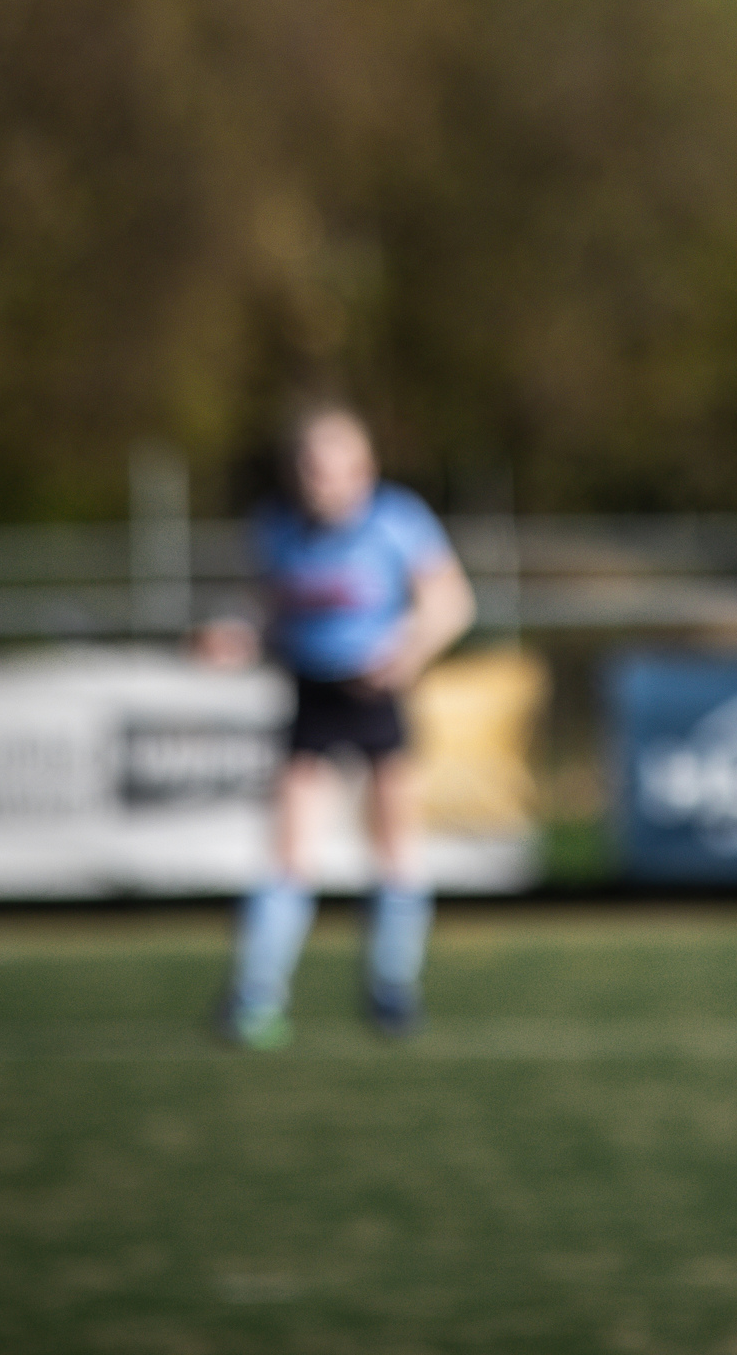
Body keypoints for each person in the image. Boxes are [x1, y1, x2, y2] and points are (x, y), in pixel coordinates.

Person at [203, 404, 475, 1045]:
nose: (318, 480)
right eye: (307, 466)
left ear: (363, 468)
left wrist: (403, 652)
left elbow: (453, 603)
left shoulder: (397, 520)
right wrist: (237, 640)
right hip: (312, 695)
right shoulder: (277, 528)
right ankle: (258, 997)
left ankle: (391, 990)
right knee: (290, 853)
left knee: (395, 846)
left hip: (376, 697)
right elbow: (268, 614)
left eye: (330, 467)